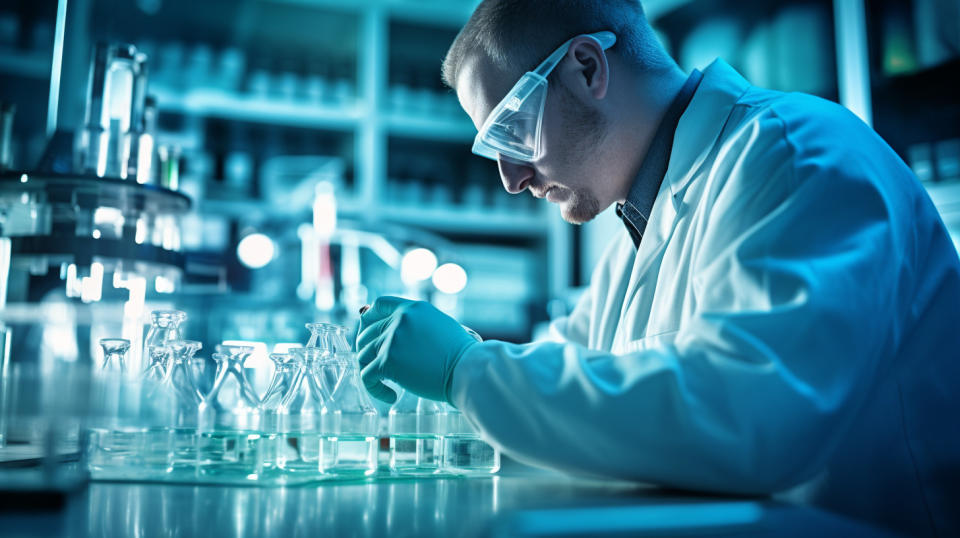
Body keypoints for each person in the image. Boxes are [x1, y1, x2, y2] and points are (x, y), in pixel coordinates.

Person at [355, 1, 960, 535]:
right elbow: (571, 389)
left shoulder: (792, 154)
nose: (511, 178)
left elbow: (750, 417)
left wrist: (465, 368)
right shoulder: (637, 229)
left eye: (510, 131)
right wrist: (438, 390)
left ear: (587, 67)